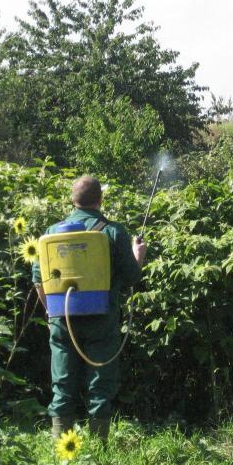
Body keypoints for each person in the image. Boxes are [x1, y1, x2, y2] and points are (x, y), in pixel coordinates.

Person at [33, 176, 146, 442]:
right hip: (102, 322)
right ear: (100, 200)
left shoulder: (51, 233)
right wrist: (138, 255)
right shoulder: (114, 231)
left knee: (62, 385)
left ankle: (61, 449)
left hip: (62, 320)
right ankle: (99, 449)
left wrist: (51, 312)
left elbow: (39, 281)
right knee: (100, 385)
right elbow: (131, 277)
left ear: (73, 200)